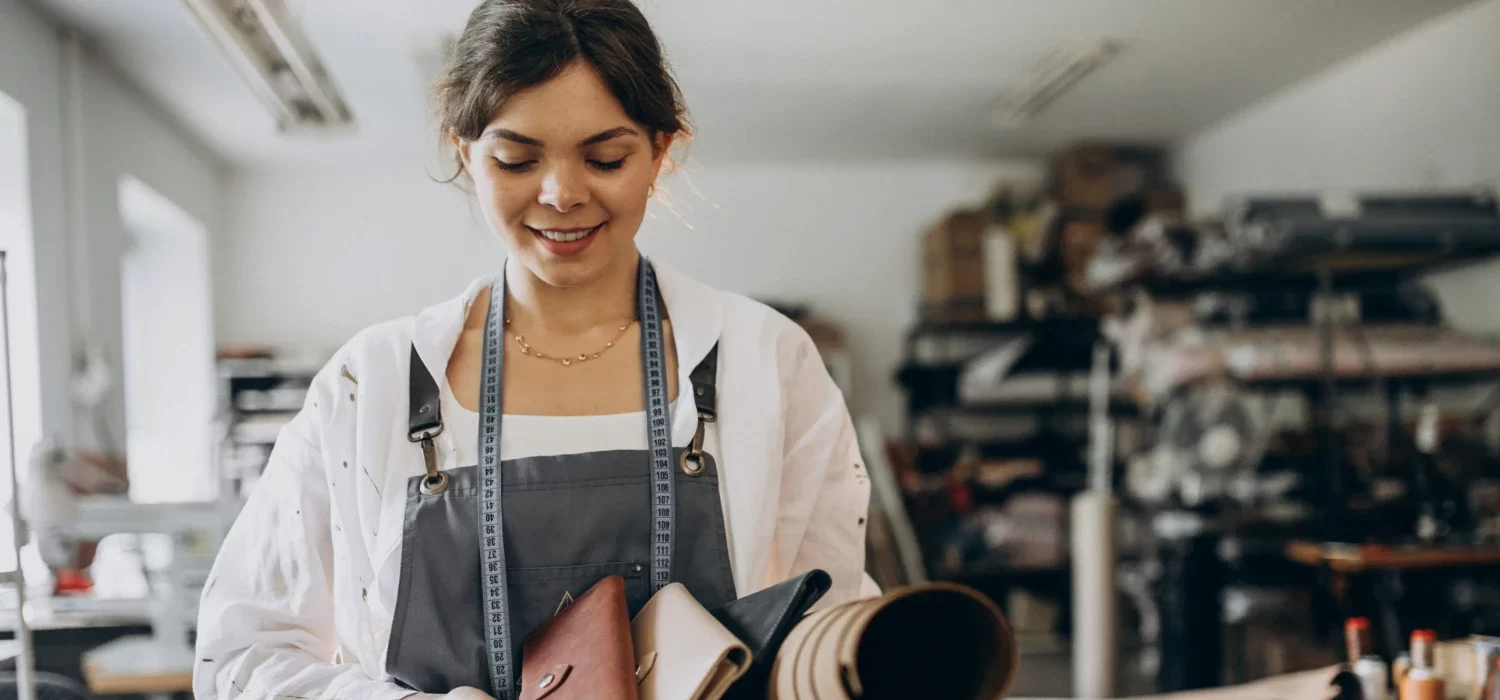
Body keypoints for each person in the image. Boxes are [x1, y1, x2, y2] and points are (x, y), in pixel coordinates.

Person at [191, 1, 876, 698]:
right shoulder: (372, 383)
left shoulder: (764, 362)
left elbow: (829, 616)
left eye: (605, 158)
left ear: (662, 151)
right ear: (465, 153)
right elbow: (243, 659)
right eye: (518, 159)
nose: (562, 193)